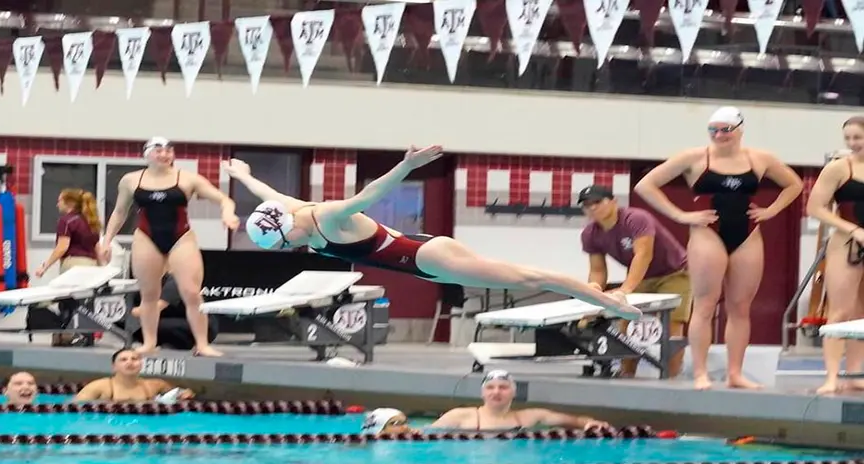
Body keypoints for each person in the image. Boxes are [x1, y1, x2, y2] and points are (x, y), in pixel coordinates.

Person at [225, 146, 641, 320]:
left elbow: (370, 193)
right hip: (425, 255)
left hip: (429, 259)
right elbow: (266, 192)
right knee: (525, 276)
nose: (291, 248)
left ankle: (611, 302)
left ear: (286, 228)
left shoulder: (329, 218)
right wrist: (243, 175)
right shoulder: (291, 212)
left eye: (285, 243)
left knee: (533, 277)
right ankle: (609, 300)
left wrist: (406, 167)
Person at [634, 106, 803, 390]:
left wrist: (772, 210)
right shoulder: (695, 157)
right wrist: (680, 215)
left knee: (740, 307)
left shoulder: (759, 158)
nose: (719, 135)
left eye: (726, 129)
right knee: (704, 305)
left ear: (740, 129)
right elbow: (645, 185)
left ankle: (735, 373)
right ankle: (701, 372)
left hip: (748, 236)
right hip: (706, 235)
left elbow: (794, 185)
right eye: (714, 130)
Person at [98, 137, 240, 358]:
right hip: (146, 237)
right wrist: (106, 241)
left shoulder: (188, 179)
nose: (164, 154)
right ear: (146, 154)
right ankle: (149, 343)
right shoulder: (131, 180)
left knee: (192, 292)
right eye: (158, 150)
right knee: (149, 294)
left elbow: (224, 199)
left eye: (168, 150)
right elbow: (119, 212)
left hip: (181, 238)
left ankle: (202, 345)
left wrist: (227, 213)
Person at [579, 184, 692, 378]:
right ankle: (627, 373)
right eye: (587, 205)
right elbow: (597, 271)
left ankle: (672, 376)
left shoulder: (636, 219)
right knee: (628, 324)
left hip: (675, 273)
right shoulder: (590, 234)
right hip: (643, 275)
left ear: (614, 202)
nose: (592, 208)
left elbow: (643, 256)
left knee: (672, 326)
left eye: (597, 202)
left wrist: (626, 289)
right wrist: (592, 296)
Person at [806, 118, 864, 394]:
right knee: (839, 311)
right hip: (846, 244)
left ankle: (854, 374)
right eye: (849, 138)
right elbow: (815, 207)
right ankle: (830, 376)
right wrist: (852, 228)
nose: (853, 143)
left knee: (861, 314)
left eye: (858, 138)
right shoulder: (839, 168)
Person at [429, 370, 609, 431]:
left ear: (513, 392)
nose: (496, 392)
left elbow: (576, 421)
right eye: (490, 387)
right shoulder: (461, 417)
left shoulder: (529, 417)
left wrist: (591, 423)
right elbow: (423, 436)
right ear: (483, 393)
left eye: (503, 387)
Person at [35, 188, 102, 346]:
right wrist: (102, 269)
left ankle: (66, 337)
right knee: (86, 303)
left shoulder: (66, 221)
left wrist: (45, 266)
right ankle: (87, 337)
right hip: (91, 266)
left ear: (69, 203)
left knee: (68, 302)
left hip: (73, 265)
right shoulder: (91, 221)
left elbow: (62, 247)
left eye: (60, 200)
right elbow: (97, 248)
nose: (57, 204)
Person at [73, 348, 197, 402]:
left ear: (141, 364)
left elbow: (179, 393)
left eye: (134, 359)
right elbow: (76, 407)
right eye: (123, 360)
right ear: (114, 366)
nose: (130, 363)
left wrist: (186, 393)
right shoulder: (99, 387)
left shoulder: (155, 385)